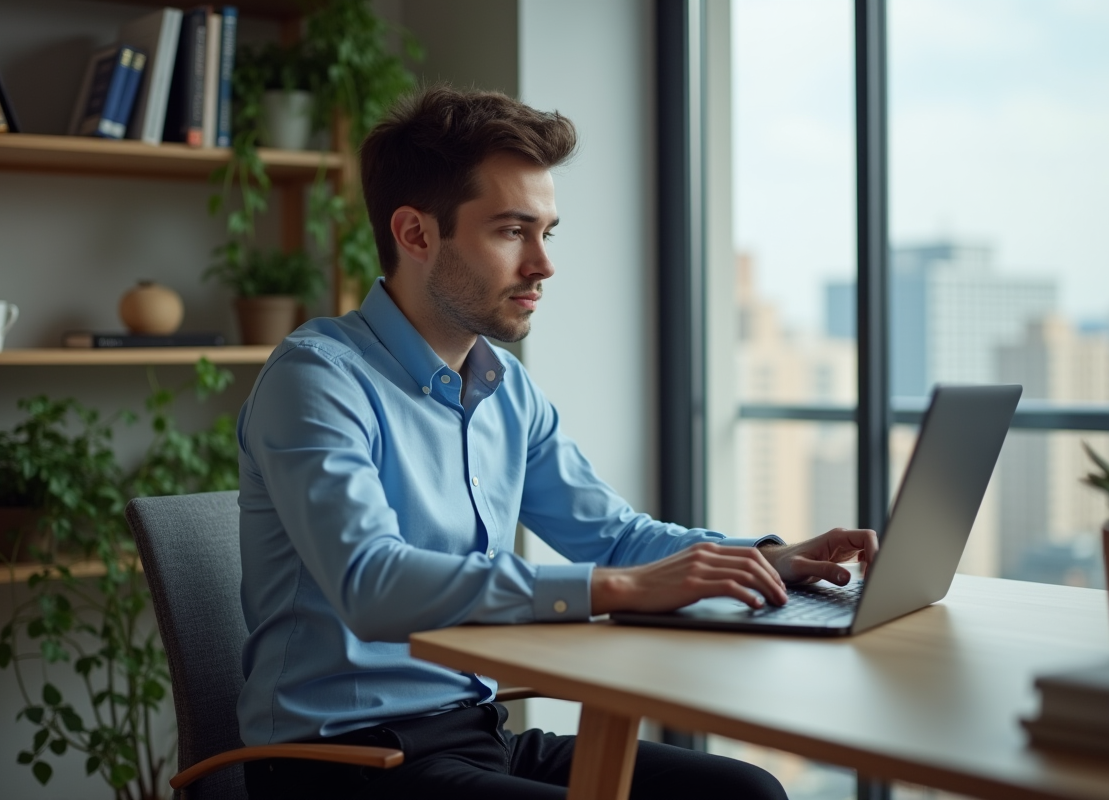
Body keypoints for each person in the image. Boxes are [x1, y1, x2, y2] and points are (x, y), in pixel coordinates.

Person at [236, 84, 878, 800]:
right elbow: (371, 584)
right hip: (341, 762)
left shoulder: (505, 387)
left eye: (548, 232)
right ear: (416, 234)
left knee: (745, 794)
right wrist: (623, 590)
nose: (542, 264)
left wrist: (761, 559)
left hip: (478, 733)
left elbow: (612, 536)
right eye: (512, 232)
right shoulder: (318, 379)